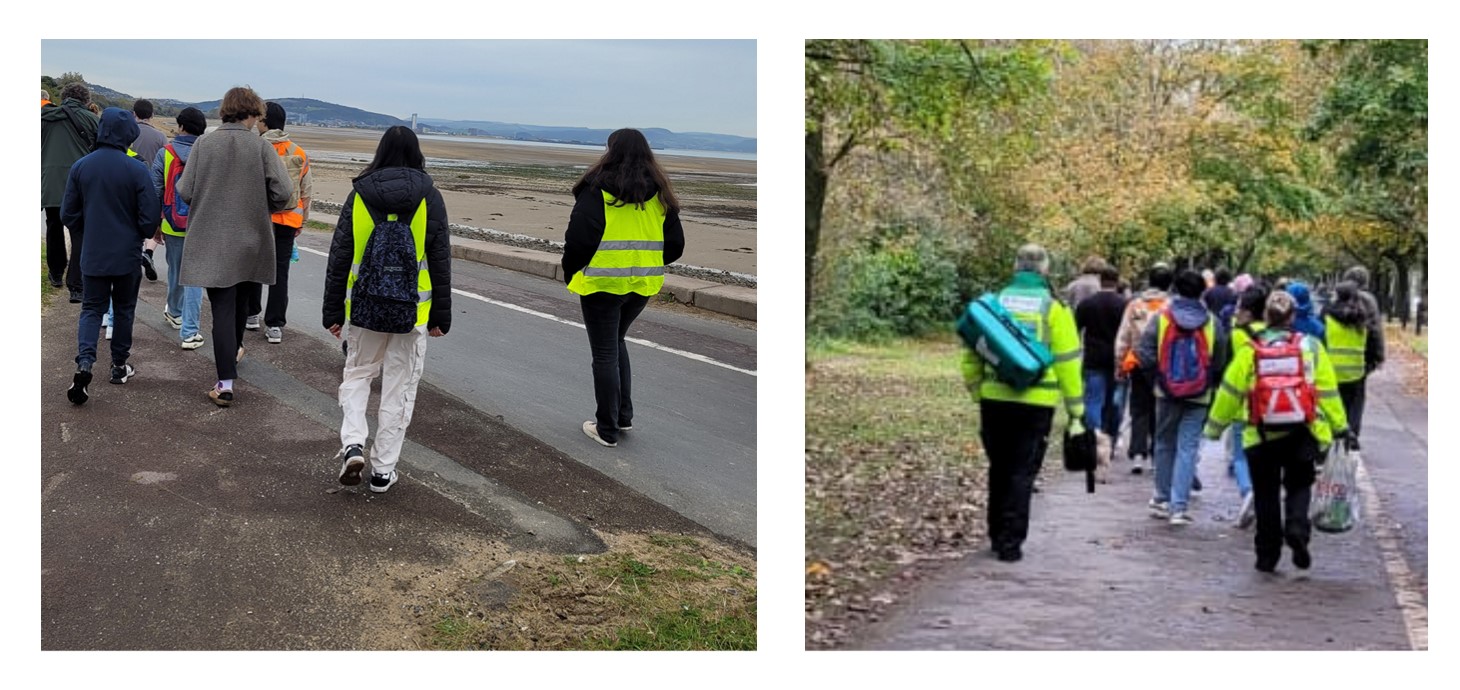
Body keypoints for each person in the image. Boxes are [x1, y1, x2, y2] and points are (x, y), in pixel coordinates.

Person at [323, 126, 451, 493]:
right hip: (414, 313)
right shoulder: (430, 195)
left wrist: (333, 310)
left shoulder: (359, 194)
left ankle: (352, 444)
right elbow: (440, 261)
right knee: (400, 387)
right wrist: (442, 313)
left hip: (365, 309)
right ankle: (383, 470)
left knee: (358, 374)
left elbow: (340, 256)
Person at [1204, 291, 1352, 573]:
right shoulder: (1311, 348)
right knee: (1299, 485)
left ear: (1265, 317)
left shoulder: (1251, 349)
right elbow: (1327, 391)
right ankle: (1297, 528)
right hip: (1303, 431)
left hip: (1260, 434)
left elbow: (1230, 392)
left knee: (1266, 494)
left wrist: (1214, 427)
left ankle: (1267, 554)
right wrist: (1340, 427)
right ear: (1292, 317)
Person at [561, 128, 686, 448]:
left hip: (602, 283)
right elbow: (674, 247)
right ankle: (622, 416)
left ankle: (606, 428)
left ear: (610, 150)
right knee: (616, 342)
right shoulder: (661, 194)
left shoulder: (597, 189)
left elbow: (579, 239)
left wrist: (572, 271)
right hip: (642, 284)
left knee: (604, 352)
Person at [961, 243, 1084, 562]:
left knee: (999, 467)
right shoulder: (1055, 308)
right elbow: (1068, 362)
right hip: (1036, 402)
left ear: (1016, 267)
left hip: (995, 398)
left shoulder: (994, 302)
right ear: (1045, 269)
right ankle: (1010, 542)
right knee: (1021, 471)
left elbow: (972, 350)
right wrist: (1076, 411)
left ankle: (995, 532)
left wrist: (977, 390)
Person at [175, 86, 293, 407]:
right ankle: (230, 365)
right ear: (252, 113)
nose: (258, 122)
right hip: (252, 240)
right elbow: (285, 194)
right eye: (257, 116)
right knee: (241, 303)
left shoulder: (204, 143)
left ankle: (225, 380)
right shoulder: (261, 147)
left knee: (223, 309)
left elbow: (185, 190)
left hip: (213, 241)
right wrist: (261, 201)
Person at [60, 107, 160, 404]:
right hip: (127, 253)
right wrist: (135, 230)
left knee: (91, 309)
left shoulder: (82, 166)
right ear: (129, 133)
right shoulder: (137, 169)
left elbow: (68, 214)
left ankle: (85, 362)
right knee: (124, 309)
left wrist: (88, 228)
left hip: (93, 252)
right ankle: (118, 366)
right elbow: (148, 220)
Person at [1135, 269, 1228, 525]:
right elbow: (1220, 358)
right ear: (1202, 292)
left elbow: (1144, 352)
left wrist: (1158, 378)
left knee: (1165, 443)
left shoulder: (1162, 318)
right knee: (1188, 447)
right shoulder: (1212, 322)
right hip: (1199, 393)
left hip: (1166, 392)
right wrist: (1209, 380)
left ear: (1176, 290)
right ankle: (1178, 507)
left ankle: (1161, 498)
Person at [245, 101, 312, 344]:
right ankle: (274, 325)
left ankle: (251, 314)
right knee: (279, 272)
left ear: (264, 121)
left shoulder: (255, 147)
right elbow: (306, 191)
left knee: (252, 267)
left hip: (258, 217)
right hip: (288, 218)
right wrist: (302, 220)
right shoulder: (299, 151)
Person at [150, 107, 208, 350]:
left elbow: (155, 190)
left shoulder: (166, 153)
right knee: (195, 276)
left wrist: (155, 224)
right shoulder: (207, 153)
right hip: (202, 224)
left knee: (175, 269)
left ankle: (174, 312)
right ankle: (190, 330)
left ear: (181, 126)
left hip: (171, 222)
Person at [42, 82, 100, 301]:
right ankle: (76, 284)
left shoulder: (44, 118)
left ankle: (56, 273)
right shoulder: (92, 119)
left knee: (53, 226)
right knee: (79, 233)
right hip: (80, 186)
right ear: (86, 99)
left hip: (51, 182)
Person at [1114, 262, 1173, 475]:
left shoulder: (1135, 305)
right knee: (1160, 409)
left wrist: (1119, 363)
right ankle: (1158, 455)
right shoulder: (1172, 307)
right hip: (1164, 365)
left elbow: (1123, 336)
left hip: (1138, 363)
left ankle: (1137, 455)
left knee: (1139, 408)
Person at [1225, 283, 1271, 528]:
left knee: (1240, 456)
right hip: (1271, 406)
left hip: (1244, 405)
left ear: (1247, 311)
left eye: (1240, 307)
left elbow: (1231, 371)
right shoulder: (1274, 333)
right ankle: (1263, 496)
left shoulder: (1237, 334)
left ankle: (1247, 492)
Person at [1074, 265, 1128, 462]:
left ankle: (1094, 439)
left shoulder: (1088, 304)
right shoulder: (1124, 304)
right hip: (1117, 360)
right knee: (1114, 403)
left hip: (1094, 358)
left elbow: (1075, 330)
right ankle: (1110, 441)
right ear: (1117, 281)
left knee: (1093, 400)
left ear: (1100, 280)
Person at [1322, 281, 1381, 437]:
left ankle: (1332, 434)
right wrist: (1371, 363)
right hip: (1356, 373)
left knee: (1331, 404)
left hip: (1331, 371)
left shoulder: (1327, 315)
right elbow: (1372, 342)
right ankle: (1352, 437)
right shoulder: (1361, 318)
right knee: (1355, 407)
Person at [130, 99, 168, 282]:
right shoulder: (160, 137)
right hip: (153, 187)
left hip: (129, 184)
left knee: (131, 222)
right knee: (152, 224)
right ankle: (149, 253)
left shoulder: (129, 132)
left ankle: (135, 254)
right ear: (152, 115)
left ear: (134, 113)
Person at [1343, 265, 1386, 372]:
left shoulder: (1338, 297)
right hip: (1363, 354)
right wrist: (1379, 356)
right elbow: (1376, 330)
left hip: (1336, 352)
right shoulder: (1369, 300)